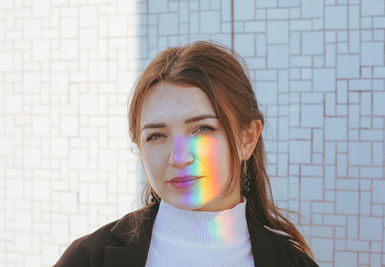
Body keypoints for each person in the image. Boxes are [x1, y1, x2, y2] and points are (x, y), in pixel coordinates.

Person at [54, 41, 319, 267]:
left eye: (203, 129)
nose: (179, 158)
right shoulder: (89, 258)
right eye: (157, 135)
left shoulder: (291, 262)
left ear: (247, 139)